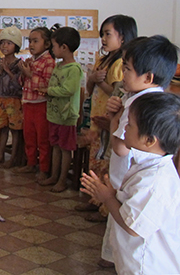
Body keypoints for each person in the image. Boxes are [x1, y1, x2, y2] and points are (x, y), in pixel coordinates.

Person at [98, 35, 178, 268]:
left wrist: (114, 119)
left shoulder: (140, 106)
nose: (122, 74)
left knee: (126, 232)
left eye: (127, 69)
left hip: (127, 186)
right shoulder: (155, 101)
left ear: (148, 77)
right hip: (128, 184)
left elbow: (120, 147)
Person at [81, 92, 180, 275]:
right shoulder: (146, 165)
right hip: (133, 261)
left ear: (149, 140)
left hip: (147, 266)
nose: (124, 127)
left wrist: (108, 198)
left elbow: (133, 226)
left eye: (130, 125)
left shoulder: (155, 181)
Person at [76, 15, 137, 223]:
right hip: (96, 118)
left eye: (108, 34)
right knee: (95, 161)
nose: (103, 38)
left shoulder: (120, 63)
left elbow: (116, 91)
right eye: (102, 34)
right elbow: (90, 87)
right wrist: (92, 79)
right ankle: (95, 200)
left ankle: (105, 208)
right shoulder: (102, 60)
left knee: (105, 165)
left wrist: (98, 81)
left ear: (123, 37)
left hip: (108, 120)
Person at [38, 26, 83, 192]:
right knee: (55, 146)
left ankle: (62, 180)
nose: (52, 49)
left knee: (65, 149)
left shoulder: (74, 69)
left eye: (54, 46)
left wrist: (48, 91)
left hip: (66, 116)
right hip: (54, 114)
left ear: (64, 47)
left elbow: (68, 90)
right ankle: (54, 176)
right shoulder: (58, 66)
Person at [15, 27, 56, 180]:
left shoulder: (49, 62)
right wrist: (23, 73)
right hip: (28, 103)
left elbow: (46, 85)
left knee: (42, 139)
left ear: (47, 45)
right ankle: (31, 163)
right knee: (29, 136)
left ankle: (44, 169)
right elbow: (23, 82)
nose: (31, 44)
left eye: (35, 41)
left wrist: (29, 74)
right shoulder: (31, 60)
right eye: (30, 41)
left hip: (41, 104)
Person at [0, 26, 24, 167]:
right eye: (2, 43)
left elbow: (19, 84)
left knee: (15, 130)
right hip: (0, 100)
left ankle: (13, 158)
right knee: (2, 128)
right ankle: (0, 155)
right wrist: (0, 70)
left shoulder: (19, 64)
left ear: (16, 45)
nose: (5, 46)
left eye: (9, 43)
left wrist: (8, 71)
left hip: (14, 101)